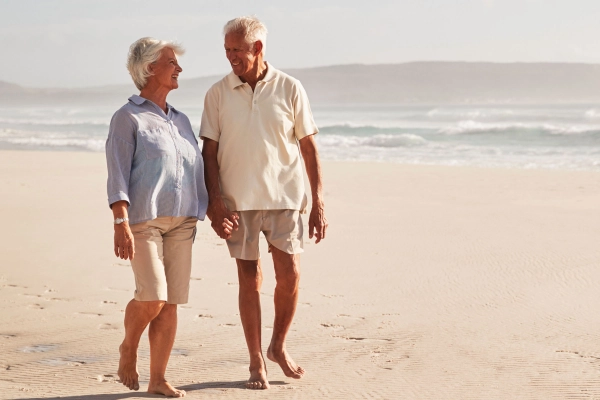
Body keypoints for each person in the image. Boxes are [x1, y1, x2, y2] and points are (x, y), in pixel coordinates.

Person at [200, 16, 328, 390]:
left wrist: (318, 200)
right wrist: (216, 202)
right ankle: (256, 359)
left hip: (286, 198)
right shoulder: (218, 93)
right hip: (238, 202)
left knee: (290, 277)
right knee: (249, 279)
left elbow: (308, 147)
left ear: (257, 48)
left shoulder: (290, 88)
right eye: (226, 50)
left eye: (236, 49)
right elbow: (209, 153)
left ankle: (278, 346)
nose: (230, 57)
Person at [106, 37, 211, 398]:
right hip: (143, 221)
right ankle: (128, 347)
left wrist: (214, 209)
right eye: (171, 62)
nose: (179, 68)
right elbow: (117, 174)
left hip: (183, 222)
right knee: (152, 297)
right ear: (150, 68)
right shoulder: (127, 117)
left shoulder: (181, 120)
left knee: (170, 304)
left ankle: (157, 379)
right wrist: (120, 223)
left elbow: (196, 172)